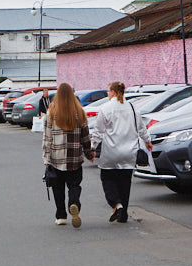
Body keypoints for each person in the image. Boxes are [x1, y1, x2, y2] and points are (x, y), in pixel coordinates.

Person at [91, 80, 151, 223]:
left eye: (108, 91)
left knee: (107, 178)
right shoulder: (133, 108)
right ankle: (123, 215)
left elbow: (98, 131)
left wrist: (92, 147)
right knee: (125, 182)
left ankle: (116, 204)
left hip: (111, 151)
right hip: (129, 152)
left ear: (113, 92)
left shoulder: (106, 108)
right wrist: (147, 141)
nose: (107, 93)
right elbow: (141, 127)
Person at [42, 83, 95, 226]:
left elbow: (47, 138)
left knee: (57, 187)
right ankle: (74, 203)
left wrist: (46, 157)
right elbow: (85, 137)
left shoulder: (51, 113)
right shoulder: (79, 112)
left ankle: (61, 216)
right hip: (75, 157)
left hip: (56, 158)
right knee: (74, 185)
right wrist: (89, 154)